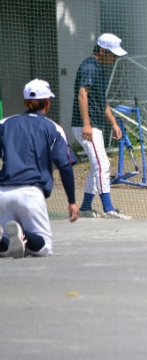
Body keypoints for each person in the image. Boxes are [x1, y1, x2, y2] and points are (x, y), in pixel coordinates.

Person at [0, 79, 79, 258]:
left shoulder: (5, 123)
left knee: (7, 251)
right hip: (30, 193)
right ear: (48, 101)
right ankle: (25, 233)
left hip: (2, 192)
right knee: (43, 249)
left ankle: (2, 238)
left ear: (25, 101)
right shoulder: (52, 127)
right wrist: (72, 201)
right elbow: (65, 166)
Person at [71, 33, 131, 219]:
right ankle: (108, 209)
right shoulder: (89, 67)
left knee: (97, 166)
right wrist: (86, 125)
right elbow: (83, 94)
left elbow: (101, 101)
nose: (114, 59)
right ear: (103, 50)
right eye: (112, 54)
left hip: (94, 124)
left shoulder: (98, 68)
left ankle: (86, 208)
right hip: (86, 126)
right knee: (102, 164)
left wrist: (113, 123)